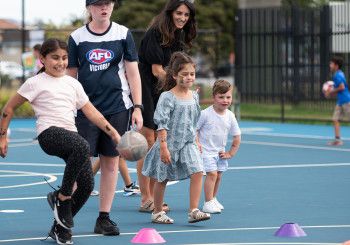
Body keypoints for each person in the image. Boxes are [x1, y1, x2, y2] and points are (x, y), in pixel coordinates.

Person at [0, 38, 122, 245]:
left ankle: (60, 229)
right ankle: (62, 197)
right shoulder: (34, 83)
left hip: (70, 137)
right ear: (42, 59)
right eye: (55, 58)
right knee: (82, 145)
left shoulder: (73, 84)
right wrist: (2, 137)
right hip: (49, 134)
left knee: (85, 186)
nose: (61, 62)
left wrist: (113, 133)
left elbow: (91, 112)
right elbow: (8, 108)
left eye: (64, 58)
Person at [66, 0, 143, 236]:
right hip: (86, 109)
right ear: (89, 8)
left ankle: (104, 218)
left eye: (108, 3)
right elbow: (70, 74)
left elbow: (132, 72)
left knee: (110, 163)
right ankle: (65, 212)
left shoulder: (122, 33)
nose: (104, 8)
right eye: (98, 4)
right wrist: (68, 107)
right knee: (80, 162)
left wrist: (138, 107)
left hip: (118, 108)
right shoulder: (77, 38)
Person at [137, 0, 197, 213]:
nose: (182, 18)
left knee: (159, 142)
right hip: (146, 88)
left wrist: (183, 86)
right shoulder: (155, 32)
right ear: (170, 13)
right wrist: (179, 86)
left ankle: (155, 197)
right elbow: (156, 70)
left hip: (165, 89)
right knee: (149, 141)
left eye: (186, 15)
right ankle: (146, 198)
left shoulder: (179, 36)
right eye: (179, 13)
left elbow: (179, 69)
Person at [142, 51, 210, 224]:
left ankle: (194, 210)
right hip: (169, 143)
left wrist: (196, 141)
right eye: (184, 74)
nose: (189, 77)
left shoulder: (194, 95)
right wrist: (163, 147)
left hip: (188, 142)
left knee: (197, 171)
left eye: (192, 74)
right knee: (162, 178)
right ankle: (157, 212)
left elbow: (193, 121)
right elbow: (161, 124)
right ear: (174, 75)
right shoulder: (167, 97)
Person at [196, 80, 241, 214]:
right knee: (212, 174)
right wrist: (197, 143)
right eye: (221, 97)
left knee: (218, 176)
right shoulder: (205, 114)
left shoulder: (230, 116)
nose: (225, 100)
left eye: (228, 97)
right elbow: (195, 129)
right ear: (213, 97)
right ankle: (207, 202)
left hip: (219, 153)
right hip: (206, 152)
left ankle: (213, 198)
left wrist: (230, 153)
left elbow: (237, 136)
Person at [325, 56, 350, 146]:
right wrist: (330, 93)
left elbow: (342, 87)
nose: (330, 65)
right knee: (335, 119)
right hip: (341, 101)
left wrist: (330, 91)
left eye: (331, 64)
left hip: (346, 100)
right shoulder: (339, 74)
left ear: (336, 65)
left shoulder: (337, 75)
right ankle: (337, 140)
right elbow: (339, 89)